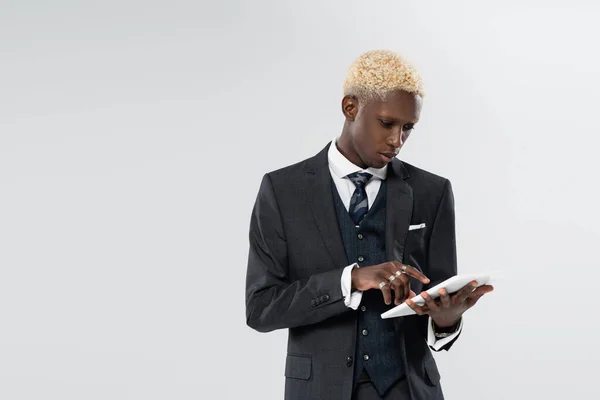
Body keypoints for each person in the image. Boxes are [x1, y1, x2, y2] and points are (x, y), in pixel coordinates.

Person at [244, 49, 494, 400]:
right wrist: (351, 279)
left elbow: (440, 292)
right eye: (387, 123)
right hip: (319, 390)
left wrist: (447, 320)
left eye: (408, 128)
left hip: (406, 389)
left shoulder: (432, 192)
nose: (397, 140)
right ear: (350, 108)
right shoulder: (283, 191)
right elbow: (261, 308)